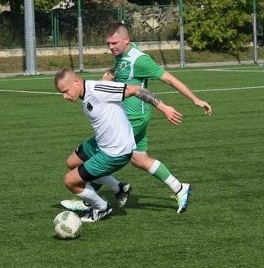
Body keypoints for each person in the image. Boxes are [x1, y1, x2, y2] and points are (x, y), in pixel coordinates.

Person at [100, 21, 212, 213]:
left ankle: (94, 200)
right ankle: (180, 188)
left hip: (133, 118)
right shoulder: (123, 54)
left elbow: (169, 78)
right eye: (108, 44)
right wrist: (112, 73)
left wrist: (194, 99)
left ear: (126, 40)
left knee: (101, 156)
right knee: (139, 159)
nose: (111, 47)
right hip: (133, 116)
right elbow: (126, 73)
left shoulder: (140, 60)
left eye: (114, 43)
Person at [54, 69, 182, 222]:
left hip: (115, 151)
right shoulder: (88, 91)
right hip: (101, 142)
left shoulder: (97, 90)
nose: (64, 96)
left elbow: (135, 89)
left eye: (66, 91)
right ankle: (119, 188)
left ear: (76, 82)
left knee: (70, 181)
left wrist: (164, 108)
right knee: (72, 162)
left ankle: (102, 207)